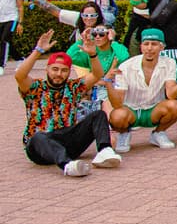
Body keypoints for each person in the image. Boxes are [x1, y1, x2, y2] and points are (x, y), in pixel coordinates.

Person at [17, 29, 120, 176]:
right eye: (55, 69)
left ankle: (105, 151)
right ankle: (68, 166)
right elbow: (20, 76)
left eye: (64, 70)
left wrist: (92, 54)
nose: (59, 74)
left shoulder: (73, 87)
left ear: (69, 72)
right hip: (40, 147)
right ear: (47, 69)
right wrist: (38, 51)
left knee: (98, 115)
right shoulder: (35, 88)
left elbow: (97, 75)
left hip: (67, 142)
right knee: (38, 137)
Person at [106, 28, 177, 151]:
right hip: (130, 110)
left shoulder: (170, 63)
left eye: (154, 44)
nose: (149, 48)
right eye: (146, 44)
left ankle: (158, 133)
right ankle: (124, 134)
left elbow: (171, 95)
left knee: (175, 106)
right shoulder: (126, 66)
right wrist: (107, 82)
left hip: (154, 109)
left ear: (162, 47)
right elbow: (117, 104)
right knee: (117, 116)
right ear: (141, 46)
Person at [0, 0, 26, 74]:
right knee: (7, 42)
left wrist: (20, 22)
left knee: (4, 40)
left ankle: (1, 65)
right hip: (1, 19)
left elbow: (20, 6)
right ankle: (20, 59)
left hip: (12, 18)